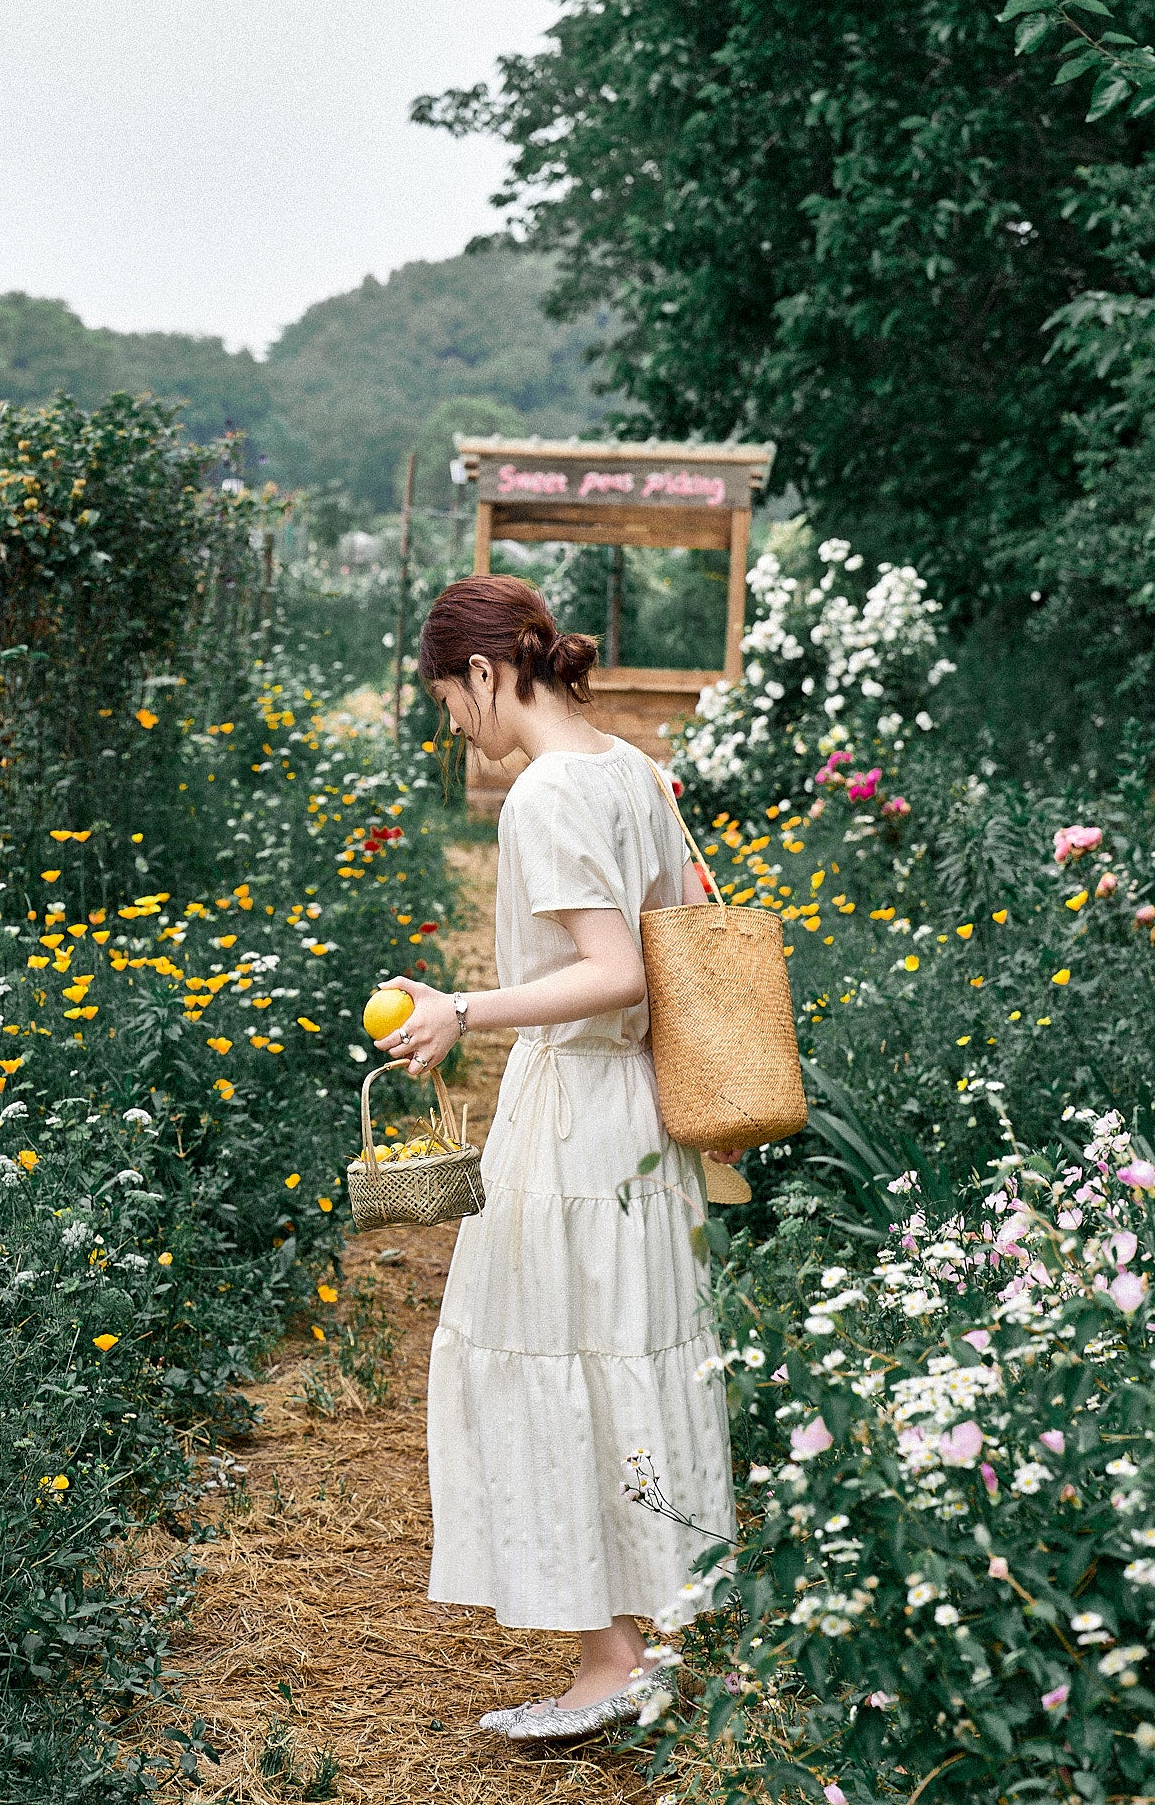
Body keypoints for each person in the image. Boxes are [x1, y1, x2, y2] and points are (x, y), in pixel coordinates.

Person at [372, 574, 739, 1744]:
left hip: (576, 1113)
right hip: (646, 1113)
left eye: (449, 701)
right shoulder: (634, 767)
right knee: (625, 1351)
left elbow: (619, 968)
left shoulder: (540, 794)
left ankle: (604, 1659)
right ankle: (641, 1636)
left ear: (485, 671)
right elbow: (685, 922)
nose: (457, 727)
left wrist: (462, 1007)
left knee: (556, 1358)